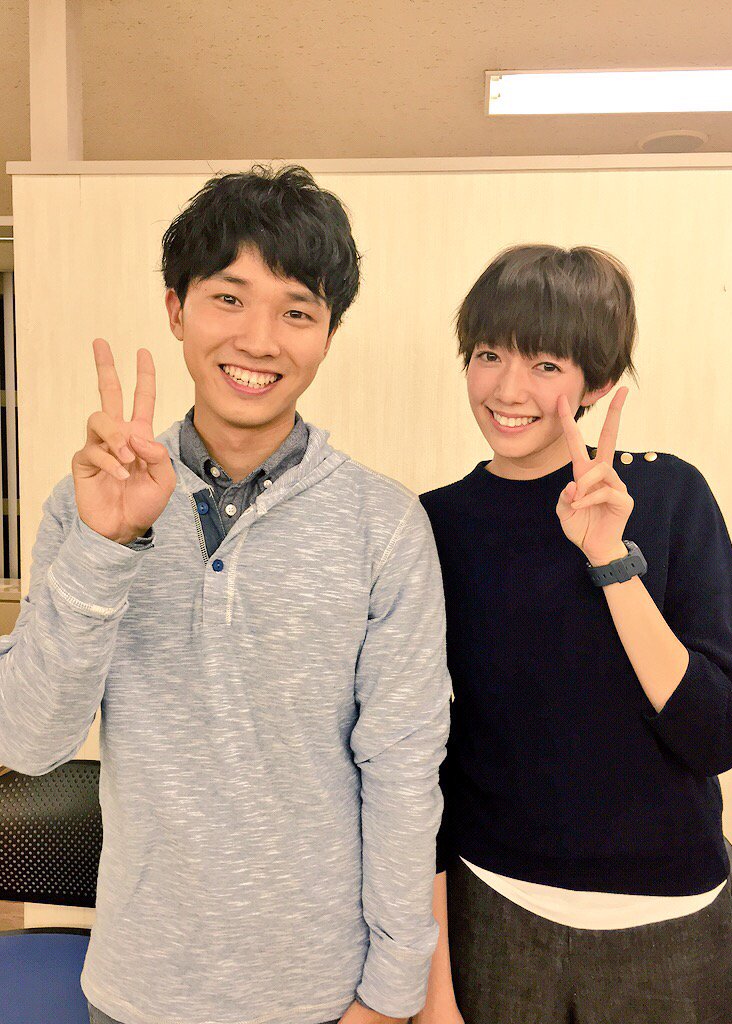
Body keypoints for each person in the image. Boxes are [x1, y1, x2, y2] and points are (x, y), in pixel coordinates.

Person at [0, 165, 451, 1024]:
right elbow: (27, 741)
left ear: (328, 333)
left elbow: (402, 771)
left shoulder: (384, 524)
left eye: (297, 311)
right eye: (229, 298)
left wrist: (392, 991)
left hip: (320, 994)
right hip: (138, 988)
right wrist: (108, 546)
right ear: (177, 309)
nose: (259, 339)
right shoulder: (89, 503)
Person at [416, 244, 732, 1024]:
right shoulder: (437, 524)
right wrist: (436, 990)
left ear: (598, 385)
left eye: (545, 365)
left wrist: (610, 559)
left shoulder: (669, 494)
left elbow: (716, 733)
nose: (508, 390)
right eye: (488, 355)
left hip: (669, 926)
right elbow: (422, 754)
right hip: (494, 910)